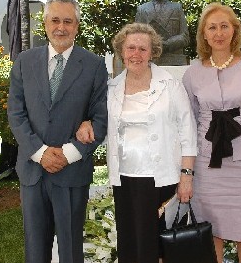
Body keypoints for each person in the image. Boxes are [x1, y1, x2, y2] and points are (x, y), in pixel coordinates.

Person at [77, 22, 197, 263]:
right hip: (125, 178)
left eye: (143, 49)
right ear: (122, 51)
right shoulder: (111, 88)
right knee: (130, 242)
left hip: (162, 178)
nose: (136, 54)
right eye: (131, 48)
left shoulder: (171, 85)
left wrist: (187, 175)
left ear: (153, 52)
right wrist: (86, 122)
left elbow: (188, 131)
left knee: (159, 245)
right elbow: (96, 119)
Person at [7, 0, 108, 263]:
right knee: (35, 249)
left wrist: (68, 153)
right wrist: (40, 152)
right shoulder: (24, 62)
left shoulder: (95, 65)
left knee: (70, 249)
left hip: (72, 171)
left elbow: (100, 118)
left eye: (67, 21)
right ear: (45, 23)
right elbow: (16, 114)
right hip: (33, 171)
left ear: (77, 26)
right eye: (55, 20)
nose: (60, 27)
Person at [182, 2, 241, 263]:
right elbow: (187, 124)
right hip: (207, 167)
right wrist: (186, 170)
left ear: (235, 31)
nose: (218, 33)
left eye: (224, 26)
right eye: (212, 27)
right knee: (211, 236)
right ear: (204, 34)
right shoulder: (192, 73)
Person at [135, 0, 189, 66]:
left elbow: (185, 37)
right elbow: (136, 37)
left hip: (174, 61)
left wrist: (168, 44)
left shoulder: (177, 8)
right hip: (150, 61)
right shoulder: (142, 9)